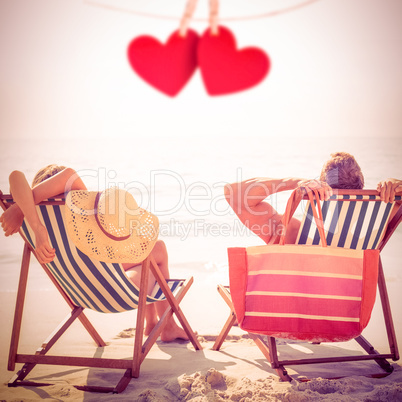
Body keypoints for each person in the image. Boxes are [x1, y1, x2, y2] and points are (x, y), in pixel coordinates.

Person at [0, 165, 189, 342]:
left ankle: (152, 324)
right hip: (116, 293)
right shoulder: (80, 204)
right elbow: (68, 174)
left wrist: (19, 209)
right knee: (157, 249)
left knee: (149, 250)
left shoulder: (31, 218)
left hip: (80, 293)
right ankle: (168, 326)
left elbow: (15, 176)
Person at [224, 152, 402, 245]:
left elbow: (233, 194)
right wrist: (396, 188)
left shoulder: (290, 231)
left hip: (286, 310)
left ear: (320, 185)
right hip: (343, 314)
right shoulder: (372, 232)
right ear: (360, 189)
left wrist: (294, 182)